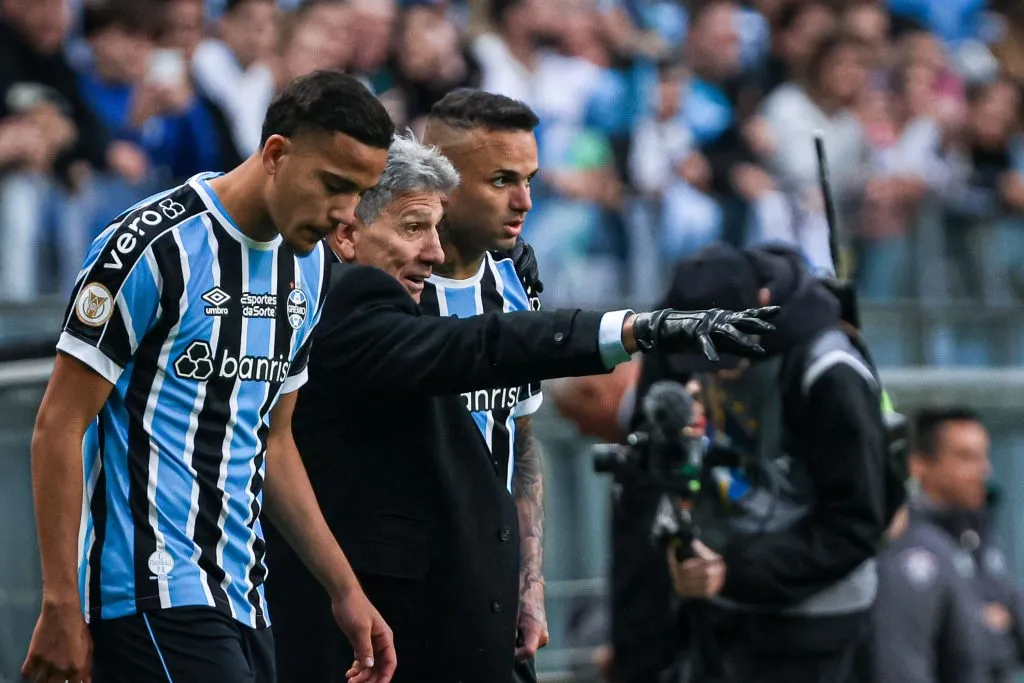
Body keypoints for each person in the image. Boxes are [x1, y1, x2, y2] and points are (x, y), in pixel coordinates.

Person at [264, 133, 777, 683]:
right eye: (414, 228)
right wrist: (635, 328)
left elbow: (516, 436)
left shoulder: (478, 286)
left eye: (436, 228)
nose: (433, 251)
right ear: (347, 233)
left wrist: (525, 588)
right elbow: (485, 345)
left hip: (461, 621)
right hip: (374, 642)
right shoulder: (345, 305)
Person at [21, 70, 398, 683]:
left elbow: (272, 442)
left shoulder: (306, 271)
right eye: (334, 185)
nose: (343, 215)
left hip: (243, 597)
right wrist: (61, 602)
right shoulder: (151, 246)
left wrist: (345, 589)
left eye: (359, 193)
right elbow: (58, 423)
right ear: (276, 153)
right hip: (147, 590)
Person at [649, 244, 898, 683]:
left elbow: (857, 524)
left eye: (725, 354)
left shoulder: (829, 374)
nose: (715, 372)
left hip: (813, 618)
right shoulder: (689, 341)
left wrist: (733, 572)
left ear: (761, 303)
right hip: (721, 600)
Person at [418, 88, 547, 679]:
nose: (524, 201)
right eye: (501, 181)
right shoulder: (380, 285)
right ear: (442, 182)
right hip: (406, 590)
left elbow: (521, 438)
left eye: (529, 178)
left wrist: (531, 583)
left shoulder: (518, 278)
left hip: (491, 590)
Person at [873, 407, 1023, 683]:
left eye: (983, 456)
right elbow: (902, 665)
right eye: (966, 457)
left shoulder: (977, 534)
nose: (983, 469)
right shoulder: (909, 550)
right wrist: (986, 625)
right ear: (919, 465)